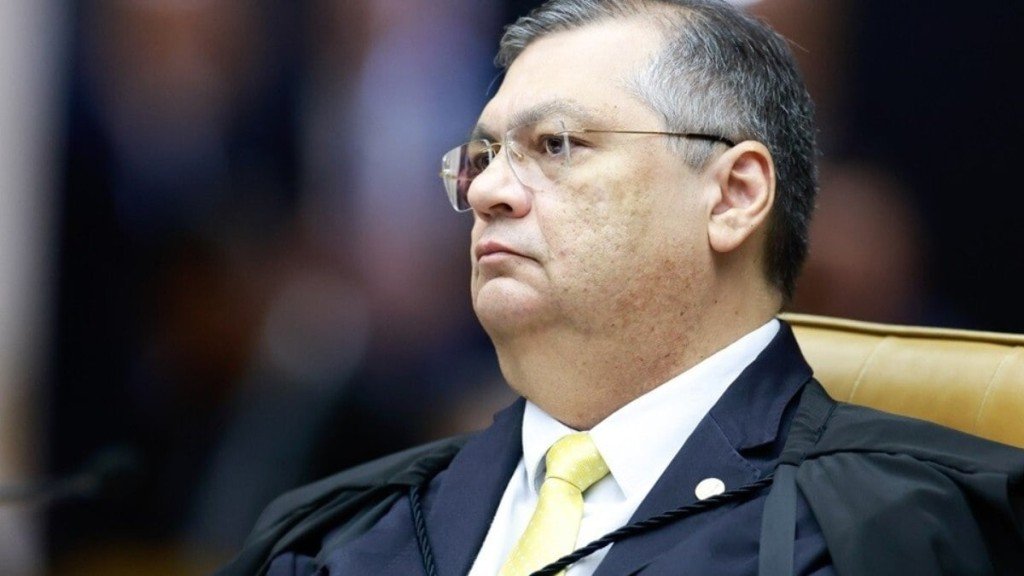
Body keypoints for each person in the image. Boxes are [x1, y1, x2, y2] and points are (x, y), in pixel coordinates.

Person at [217, 1, 1024, 574]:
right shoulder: (337, 536)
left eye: (556, 144)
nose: (488, 190)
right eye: (481, 157)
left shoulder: (889, 532)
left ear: (733, 195)